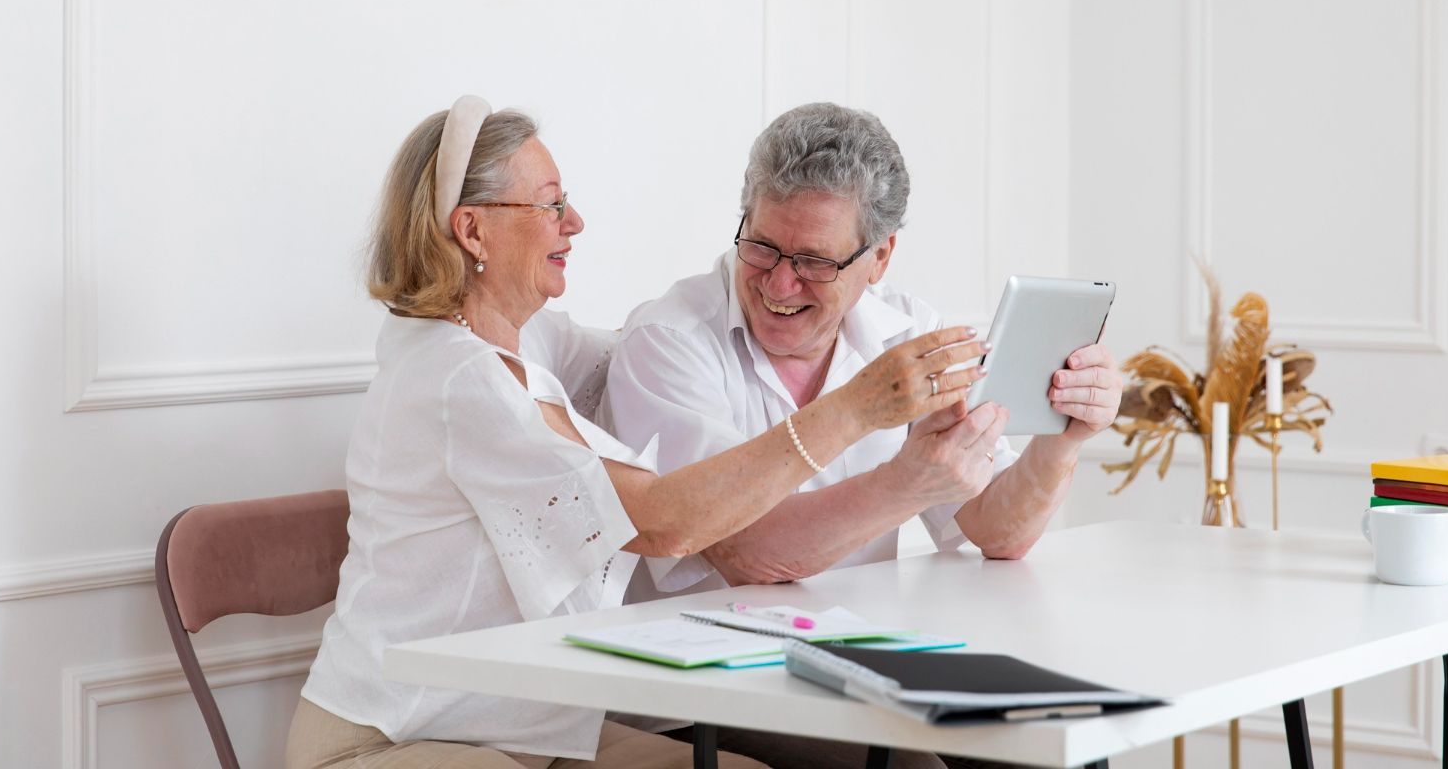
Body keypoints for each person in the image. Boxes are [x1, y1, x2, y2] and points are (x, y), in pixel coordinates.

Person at [286, 97, 982, 769]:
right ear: (473, 232)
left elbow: (630, 348)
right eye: (551, 204)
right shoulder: (458, 378)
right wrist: (853, 411)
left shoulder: (530, 337)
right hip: (398, 735)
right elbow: (662, 526)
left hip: (537, 728)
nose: (576, 221)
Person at [602, 103, 1123, 769]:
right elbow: (746, 554)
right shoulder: (669, 342)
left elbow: (998, 531)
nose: (779, 283)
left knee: (1047, 754)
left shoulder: (907, 333)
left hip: (857, 669)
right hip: (706, 687)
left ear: (880, 258)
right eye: (761, 247)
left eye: (815, 262)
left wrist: (1063, 437)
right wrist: (901, 473)